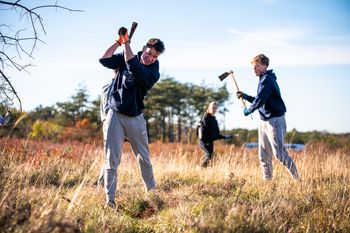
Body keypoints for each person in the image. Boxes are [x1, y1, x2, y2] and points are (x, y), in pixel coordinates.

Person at [99, 27, 165, 208]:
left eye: (155, 56)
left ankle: (153, 197)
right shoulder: (126, 56)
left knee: (144, 157)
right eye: (150, 53)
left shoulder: (153, 73)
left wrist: (127, 43)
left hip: (135, 118)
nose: (151, 58)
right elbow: (104, 59)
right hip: (115, 114)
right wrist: (118, 42)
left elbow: (134, 68)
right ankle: (109, 201)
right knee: (112, 159)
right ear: (144, 48)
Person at [236, 54, 299, 181]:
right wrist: (246, 97)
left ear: (265, 66)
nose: (254, 69)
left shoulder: (267, 79)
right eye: (253, 67)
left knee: (279, 154)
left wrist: (249, 110)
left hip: (274, 120)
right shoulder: (262, 79)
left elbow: (259, 100)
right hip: (264, 121)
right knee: (263, 154)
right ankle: (267, 182)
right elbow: (261, 100)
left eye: (257, 66)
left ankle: (297, 179)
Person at [197, 101, 231, 167]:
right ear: (209, 108)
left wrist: (225, 137)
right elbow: (202, 130)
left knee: (212, 156)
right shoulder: (205, 117)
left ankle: (206, 170)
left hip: (210, 141)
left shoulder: (214, 120)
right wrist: (205, 139)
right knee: (209, 154)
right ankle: (200, 168)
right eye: (212, 107)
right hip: (203, 140)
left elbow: (216, 134)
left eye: (215, 108)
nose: (214, 109)